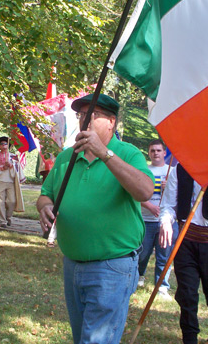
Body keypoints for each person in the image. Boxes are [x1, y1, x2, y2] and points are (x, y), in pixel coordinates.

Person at [37, 93, 154, 344]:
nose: (85, 120)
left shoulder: (128, 153)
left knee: (96, 340)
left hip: (112, 266)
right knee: (82, 337)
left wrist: (104, 154)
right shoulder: (67, 157)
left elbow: (145, 191)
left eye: (94, 115)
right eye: (81, 115)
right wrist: (45, 208)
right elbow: (46, 195)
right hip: (72, 264)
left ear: (111, 122)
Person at [160, 164, 208, 344]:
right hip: (186, 242)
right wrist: (165, 221)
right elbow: (169, 205)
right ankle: (189, 338)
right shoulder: (180, 169)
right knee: (187, 295)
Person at [137, 139, 177, 300]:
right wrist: (149, 207)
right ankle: (139, 276)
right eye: (152, 151)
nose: (155, 153)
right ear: (149, 153)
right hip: (146, 220)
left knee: (164, 255)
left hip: (165, 223)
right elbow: (136, 194)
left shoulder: (172, 172)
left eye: (158, 150)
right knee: (142, 253)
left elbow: (178, 197)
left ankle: (162, 287)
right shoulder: (144, 171)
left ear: (164, 152)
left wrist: (170, 188)